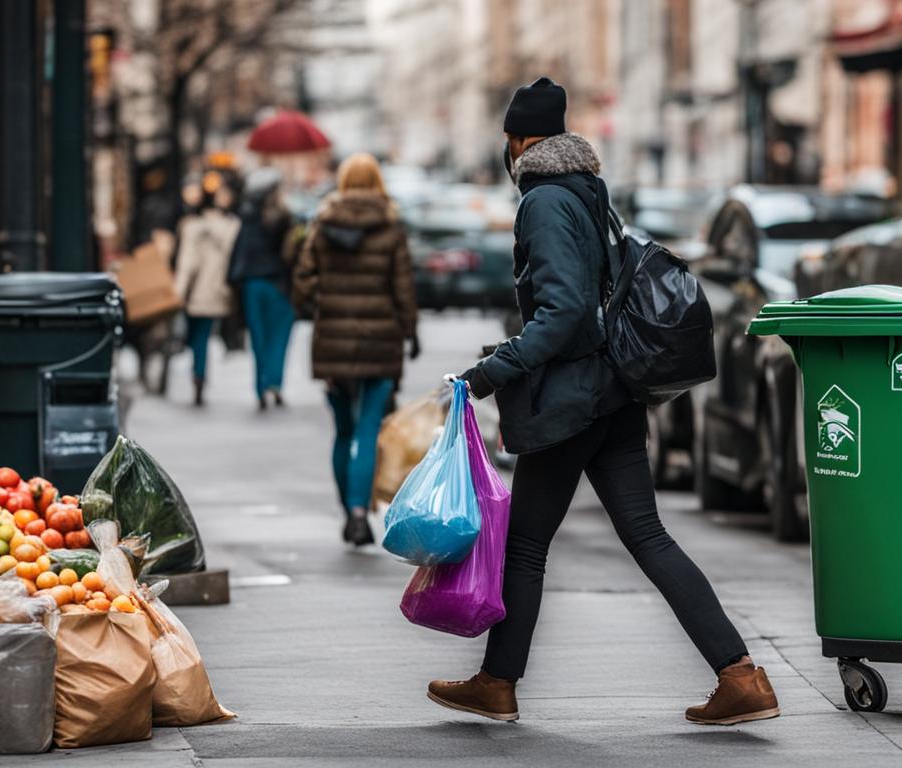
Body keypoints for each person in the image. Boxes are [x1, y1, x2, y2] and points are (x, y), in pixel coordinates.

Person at [428, 77, 778, 726]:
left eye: (509, 141)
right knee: (648, 536)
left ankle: (498, 682)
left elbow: (563, 314)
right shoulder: (589, 193)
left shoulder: (543, 202)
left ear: (520, 141)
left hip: (572, 401)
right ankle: (740, 675)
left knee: (526, 547)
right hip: (613, 391)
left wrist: (492, 371)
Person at [293, 154, 419, 547]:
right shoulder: (391, 227)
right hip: (380, 340)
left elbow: (302, 281)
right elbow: (403, 288)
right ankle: (362, 513)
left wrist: (324, 304)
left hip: (333, 340)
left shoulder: (322, 225)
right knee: (368, 429)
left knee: (342, 429)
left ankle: (349, 511)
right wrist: (410, 330)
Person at [229, 168, 296, 410]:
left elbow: (238, 253)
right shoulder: (286, 218)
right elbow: (292, 255)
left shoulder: (246, 218)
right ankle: (275, 382)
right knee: (279, 337)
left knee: (258, 338)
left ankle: (260, 387)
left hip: (252, 284)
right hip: (279, 285)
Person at [174, 184, 240, 406]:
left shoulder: (191, 227)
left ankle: (198, 375)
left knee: (196, 336)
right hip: (215, 290)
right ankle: (199, 375)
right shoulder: (230, 227)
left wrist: (178, 292)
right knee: (202, 334)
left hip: (193, 292)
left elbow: (187, 263)